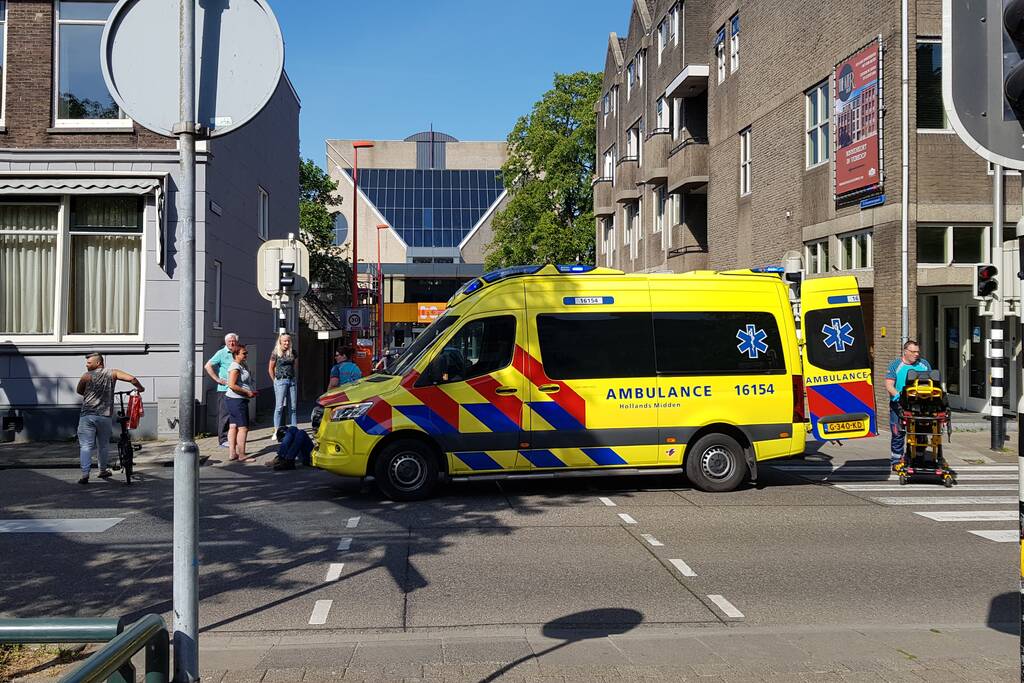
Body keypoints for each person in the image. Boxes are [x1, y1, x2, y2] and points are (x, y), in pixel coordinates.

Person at [75, 353, 145, 485]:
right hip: (104, 416)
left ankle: (85, 474)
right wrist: (140, 388)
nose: (86, 365)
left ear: (99, 363)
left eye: (89, 363)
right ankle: (102, 470)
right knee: (103, 445)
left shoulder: (86, 376)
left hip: (87, 416)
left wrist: (90, 394)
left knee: (86, 446)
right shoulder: (113, 373)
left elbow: (79, 391)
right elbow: (132, 378)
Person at [884, 339, 931, 471]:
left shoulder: (924, 364)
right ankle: (896, 460)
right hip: (898, 405)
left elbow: (931, 381)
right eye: (913, 352)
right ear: (905, 351)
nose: (916, 354)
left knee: (920, 433)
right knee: (898, 433)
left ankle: (918, 457)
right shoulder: (895, 365)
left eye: (918, 352)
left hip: (919, 404)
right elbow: (889, 385)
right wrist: (898, 396)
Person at [204, 333, 239, 448]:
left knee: (234, 414)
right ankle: (223, 439)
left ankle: (232, 437)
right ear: (226, 342)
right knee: (224, 415)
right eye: (229, 341)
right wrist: (217, 379)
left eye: (233, 341)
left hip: (236, 388)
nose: (232, 343)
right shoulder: (221, 353)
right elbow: (208, 366)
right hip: (224, 389)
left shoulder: (237, 352)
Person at [225, 344, 258, 462]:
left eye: (246, 353)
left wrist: (250, 391)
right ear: (236, 354)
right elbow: (232, 385)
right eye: (244, 353)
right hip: (237, 400)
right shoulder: (235, 367)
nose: (246, 355)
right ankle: (242, 455)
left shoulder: (242, 365)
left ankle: (232, 453)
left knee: (233, 426)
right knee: (243, 428)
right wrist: (247, 392)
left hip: (235, 399)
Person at [269, 333, 298, 439]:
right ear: (280, 341)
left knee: (293, 407)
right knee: (279, 406)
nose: (286, 343)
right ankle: (276, 430)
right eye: (284, 341)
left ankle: (294, 428)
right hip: (280, 381)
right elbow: (270, 368)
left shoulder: (293, 352)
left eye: (288, 341)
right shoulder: (276, 353)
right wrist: (275, 380)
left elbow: (295, 366)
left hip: (291, 381)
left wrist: (294, 378)